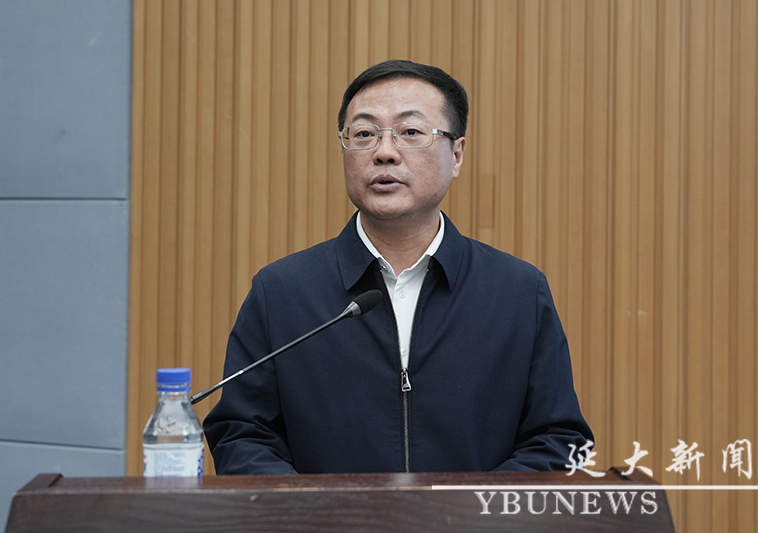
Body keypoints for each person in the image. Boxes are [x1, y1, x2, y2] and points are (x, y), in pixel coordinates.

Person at [203, 60, 593, 474]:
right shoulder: (282, 293)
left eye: (410, 132)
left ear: (457, 154)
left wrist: (470, 507)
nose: (384, 152)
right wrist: (315, 507)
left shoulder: (516, 292)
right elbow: (242, 435)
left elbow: (558, 440)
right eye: (364, 134)